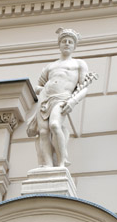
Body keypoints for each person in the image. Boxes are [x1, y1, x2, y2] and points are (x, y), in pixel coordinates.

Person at [27, 28, 93, 168]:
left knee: (55, 125)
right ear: (59, 44)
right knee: (43, 132)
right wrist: (44, 89)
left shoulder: (79, 64)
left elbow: (84, 87)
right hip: (46, 99)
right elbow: (38, 86)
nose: (67, 44)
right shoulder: (51, 66)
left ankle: (63, 161)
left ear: (74, 46)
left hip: (63, 98)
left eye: (70, 42)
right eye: (64, 41)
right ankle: (48, 164)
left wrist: (73, 101)